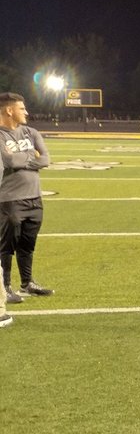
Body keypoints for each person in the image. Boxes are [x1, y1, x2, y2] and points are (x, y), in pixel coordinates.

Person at [0, 92, 54, 303]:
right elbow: (9, 160)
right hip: (9, 198)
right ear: (9, 110)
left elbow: (46, 159)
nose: (26, 112)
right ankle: (4, 288)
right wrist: (32, 157)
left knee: (27, 244)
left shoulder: (31, 132)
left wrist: (23, 159)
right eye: (22, 109)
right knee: (6, 245)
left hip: (34, 197)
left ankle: (27, 283)